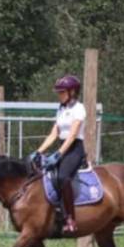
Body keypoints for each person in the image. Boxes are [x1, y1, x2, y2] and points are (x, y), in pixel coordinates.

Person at [31, 74, 86, 234]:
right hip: (62, 148)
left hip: (75, 149)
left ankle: (71, 219)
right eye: (59, 92)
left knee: (63, 177)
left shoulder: (79, 109)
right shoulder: (61, 109)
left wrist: (59, 154)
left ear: (72, 92)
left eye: (62, 92)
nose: (59, 95)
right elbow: (54, 133)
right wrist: (38, 151)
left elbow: (73, 135)